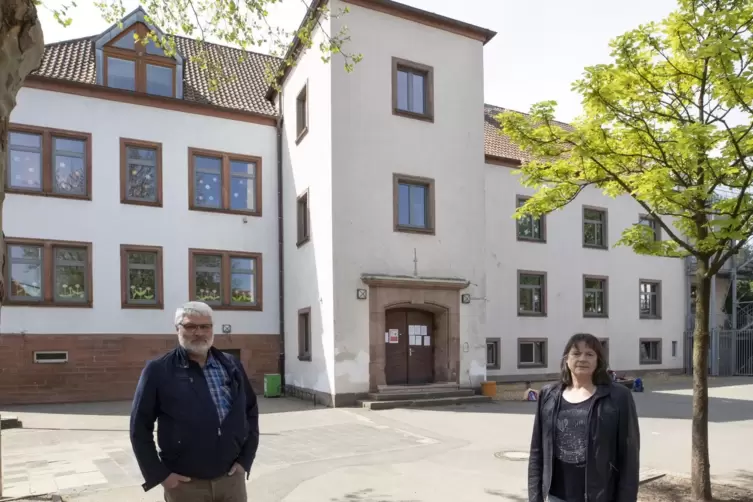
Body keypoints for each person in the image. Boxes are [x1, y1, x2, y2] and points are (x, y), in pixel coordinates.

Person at [130, 301, 259, 501]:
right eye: (190, 326)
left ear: (212, 329)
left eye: (205, 326)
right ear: (177, 329)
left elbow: (250, 411)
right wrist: (161, 476)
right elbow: (139, 427)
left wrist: (245, 460)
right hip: (185, 485)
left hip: (231, 480)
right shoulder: (158, 370)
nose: (198, 332)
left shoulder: (230, 364)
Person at [528, 333, 640, 502]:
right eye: (576, 353)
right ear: (566, 359)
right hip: (556, 496)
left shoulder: (618, 397)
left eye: (589, 354)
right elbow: (537, 452)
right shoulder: (548, 395)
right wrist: (534, 497)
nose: (582, 358)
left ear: (598, 361)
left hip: (600, 496)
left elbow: (629, 457)